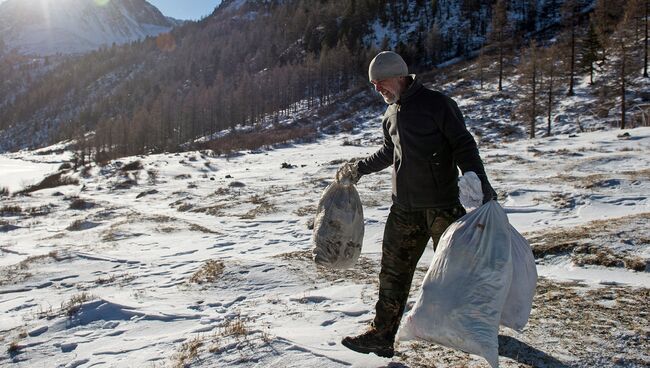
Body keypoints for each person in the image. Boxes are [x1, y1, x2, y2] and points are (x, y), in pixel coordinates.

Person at [338, 51, 497, 358]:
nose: (377, 90)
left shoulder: (438, 105)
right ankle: (382, 335)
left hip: (442, 208)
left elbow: (463, 144)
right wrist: (358, 168)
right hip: (404, 209)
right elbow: (389, 153)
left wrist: (480, 183)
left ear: (399, 75)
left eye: (380, 82)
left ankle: (476, 329)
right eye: (373, 84)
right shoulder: (391, 113)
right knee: (393, 273)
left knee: (456, 273)